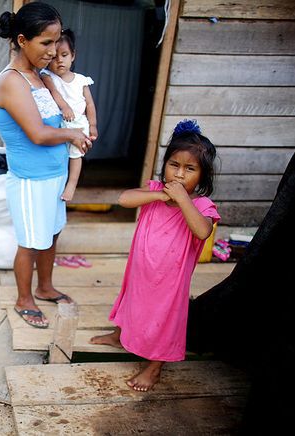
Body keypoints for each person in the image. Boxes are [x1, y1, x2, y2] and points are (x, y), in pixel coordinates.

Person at [90, 119, 220, 391]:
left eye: (190, 168)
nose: (180, 175)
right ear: (165, 167)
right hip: (141, 269)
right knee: (132, 301)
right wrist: (160, 196)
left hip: (170, 280)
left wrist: (183, 200)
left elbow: (202, 231)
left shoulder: (201, 205)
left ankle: (155, 366)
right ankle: (119, 335)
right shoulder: (154, 191)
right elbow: (124, 199)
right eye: (174, 165)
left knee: (165, 317)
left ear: (203, 176)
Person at [0, 2, 92, 329]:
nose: (53, 50)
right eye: (45, 43)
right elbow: (36, 133)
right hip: (31, 181)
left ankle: (45, 286)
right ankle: (24, 298)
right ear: (22, 40)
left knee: (51, 234)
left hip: (54, 176)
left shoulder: (39, 76)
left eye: (56, 41)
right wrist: (73, 134)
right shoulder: (11, 81)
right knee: (31, 242)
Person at [40, 28, 98, 201]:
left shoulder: (81, 80)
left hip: (79, 124)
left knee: (75, 155)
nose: (59, 61)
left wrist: (93, 126)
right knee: (56, 155)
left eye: (64, 55)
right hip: (60, 124)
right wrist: (64, 107)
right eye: (54, 56)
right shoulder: (47, 76)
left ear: (73, 56)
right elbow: (54, 93)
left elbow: (89, 104)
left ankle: (71, 185)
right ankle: (54, 184)